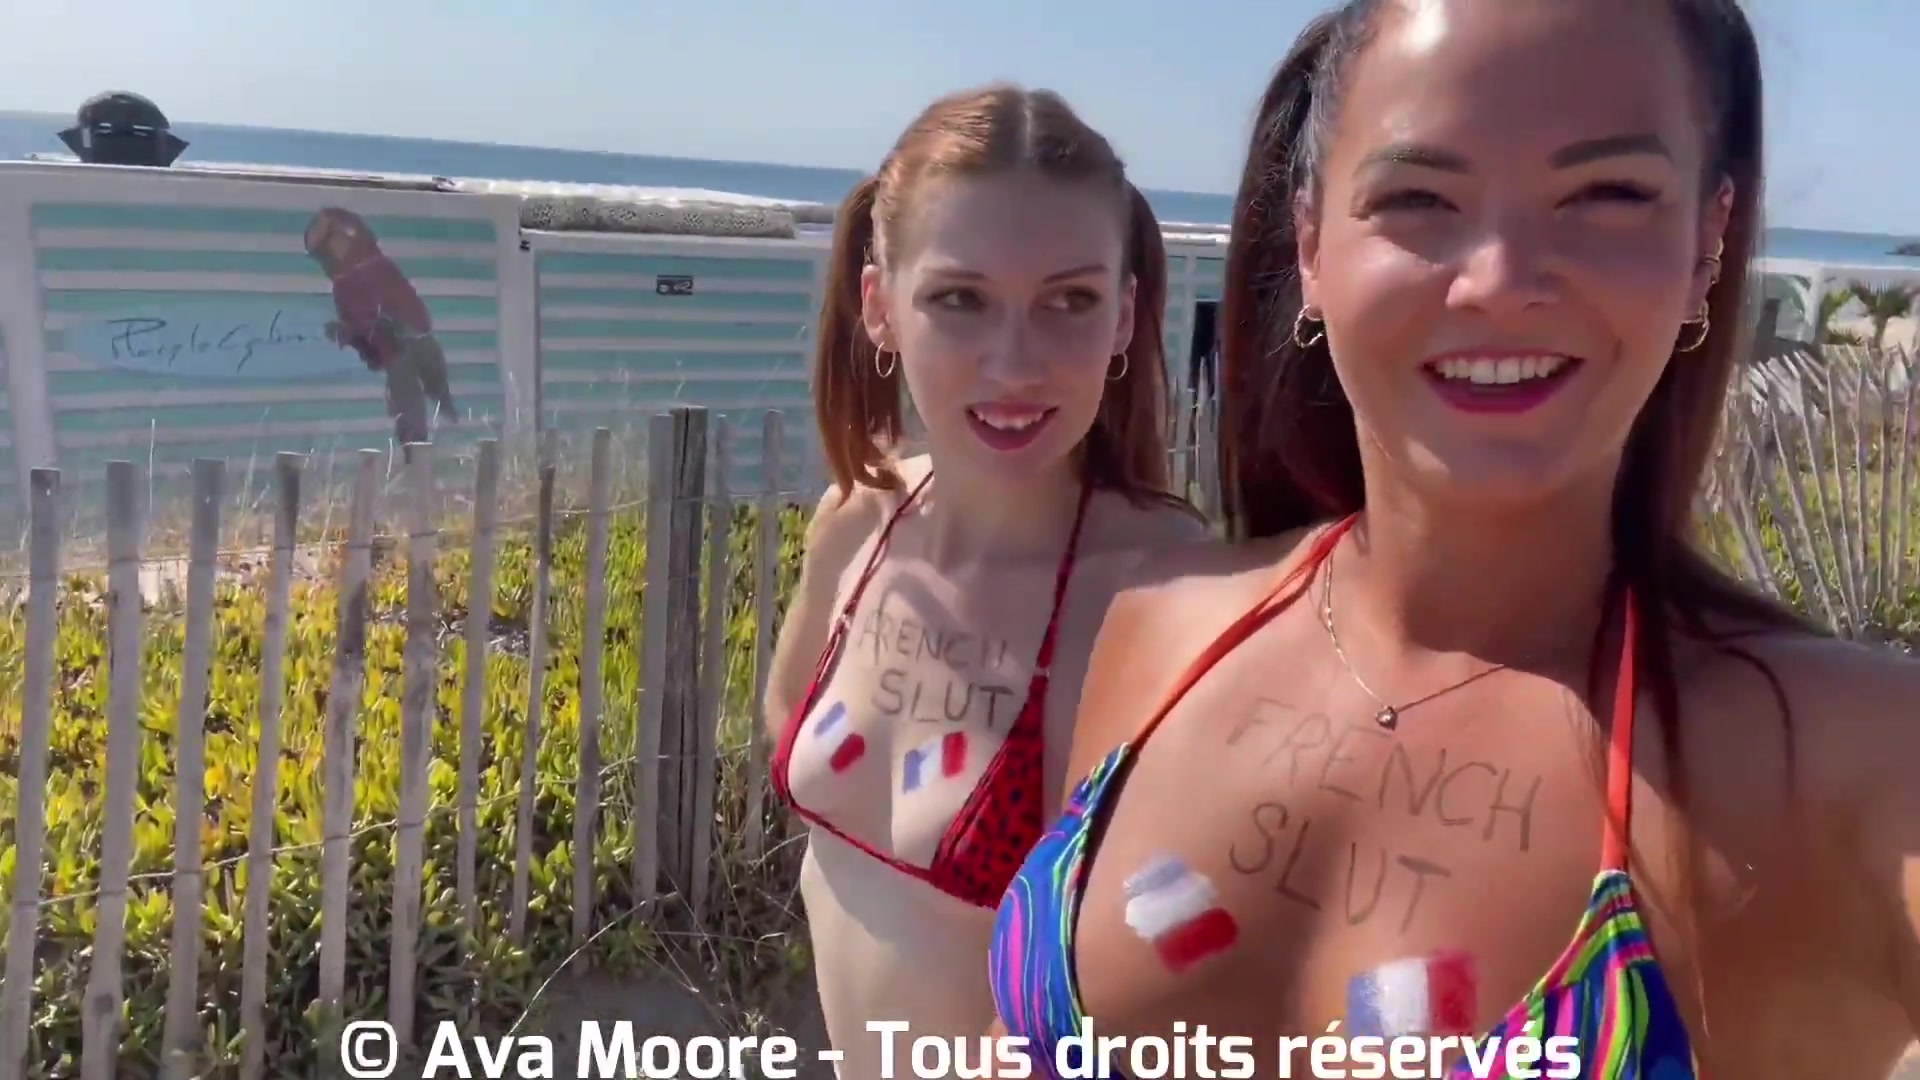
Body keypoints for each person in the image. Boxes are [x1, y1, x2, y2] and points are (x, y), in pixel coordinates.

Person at [985, 2, 1920, 1078]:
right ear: (1311, 242)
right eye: (1419, 198)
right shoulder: (1155, 628)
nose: (1500, 281)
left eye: (1608, 194)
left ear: (1708, 243)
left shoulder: (1847, 763)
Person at [763, 83, 1207, 1076]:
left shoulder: (1162, 595)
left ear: (1125, 317)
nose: (1016, 364)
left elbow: (1182, 968)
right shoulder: (858, 520)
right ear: (880, 306)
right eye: (960, 299)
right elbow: (785, 721)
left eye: (1069, 301)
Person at [304, 207, 456, 444]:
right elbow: (358, 328)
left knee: (438, 397)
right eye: (323, 250)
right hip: (394, 359)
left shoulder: (377, 265)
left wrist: (396, 327)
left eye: (333, 238)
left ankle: (448, 427)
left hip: (417, 345)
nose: (333, 250)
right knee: (409, 417)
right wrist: (347, 333)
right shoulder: (342, 288)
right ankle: (415, 449)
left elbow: (412, 312)